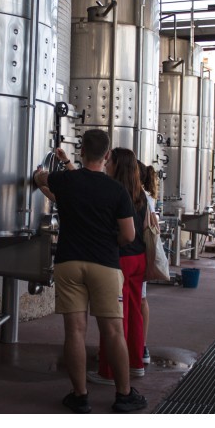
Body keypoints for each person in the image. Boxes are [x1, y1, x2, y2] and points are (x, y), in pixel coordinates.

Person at [32, 129, 147, 414]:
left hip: (69, 262)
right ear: (106, 156)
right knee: (113, 331)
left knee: (74, 331)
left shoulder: (65, 181)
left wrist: (40, 174)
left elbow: (41, 180)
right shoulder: (117, 190)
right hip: (105, 264)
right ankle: (124, 395)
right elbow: (129, 235)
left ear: (81, 151)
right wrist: (108, 241)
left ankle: (80, 396)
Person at [88, 148, 149, 384]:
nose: (106, 164)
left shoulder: (113, 191)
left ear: (117, 166)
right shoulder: (140, 193)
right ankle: (135, 363)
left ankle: (109, 371)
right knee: (134, 313)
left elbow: (123, 233)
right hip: (139, 259)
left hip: (120, 259)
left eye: (109, 161)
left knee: (114, 317)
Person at [138, 160, 160, 365]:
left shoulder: (142, 197)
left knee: (140, 300)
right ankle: (140, 345)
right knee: (140, 299)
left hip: (135, 254)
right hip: (137, 254)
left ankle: (141, 345)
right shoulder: (145, 196)